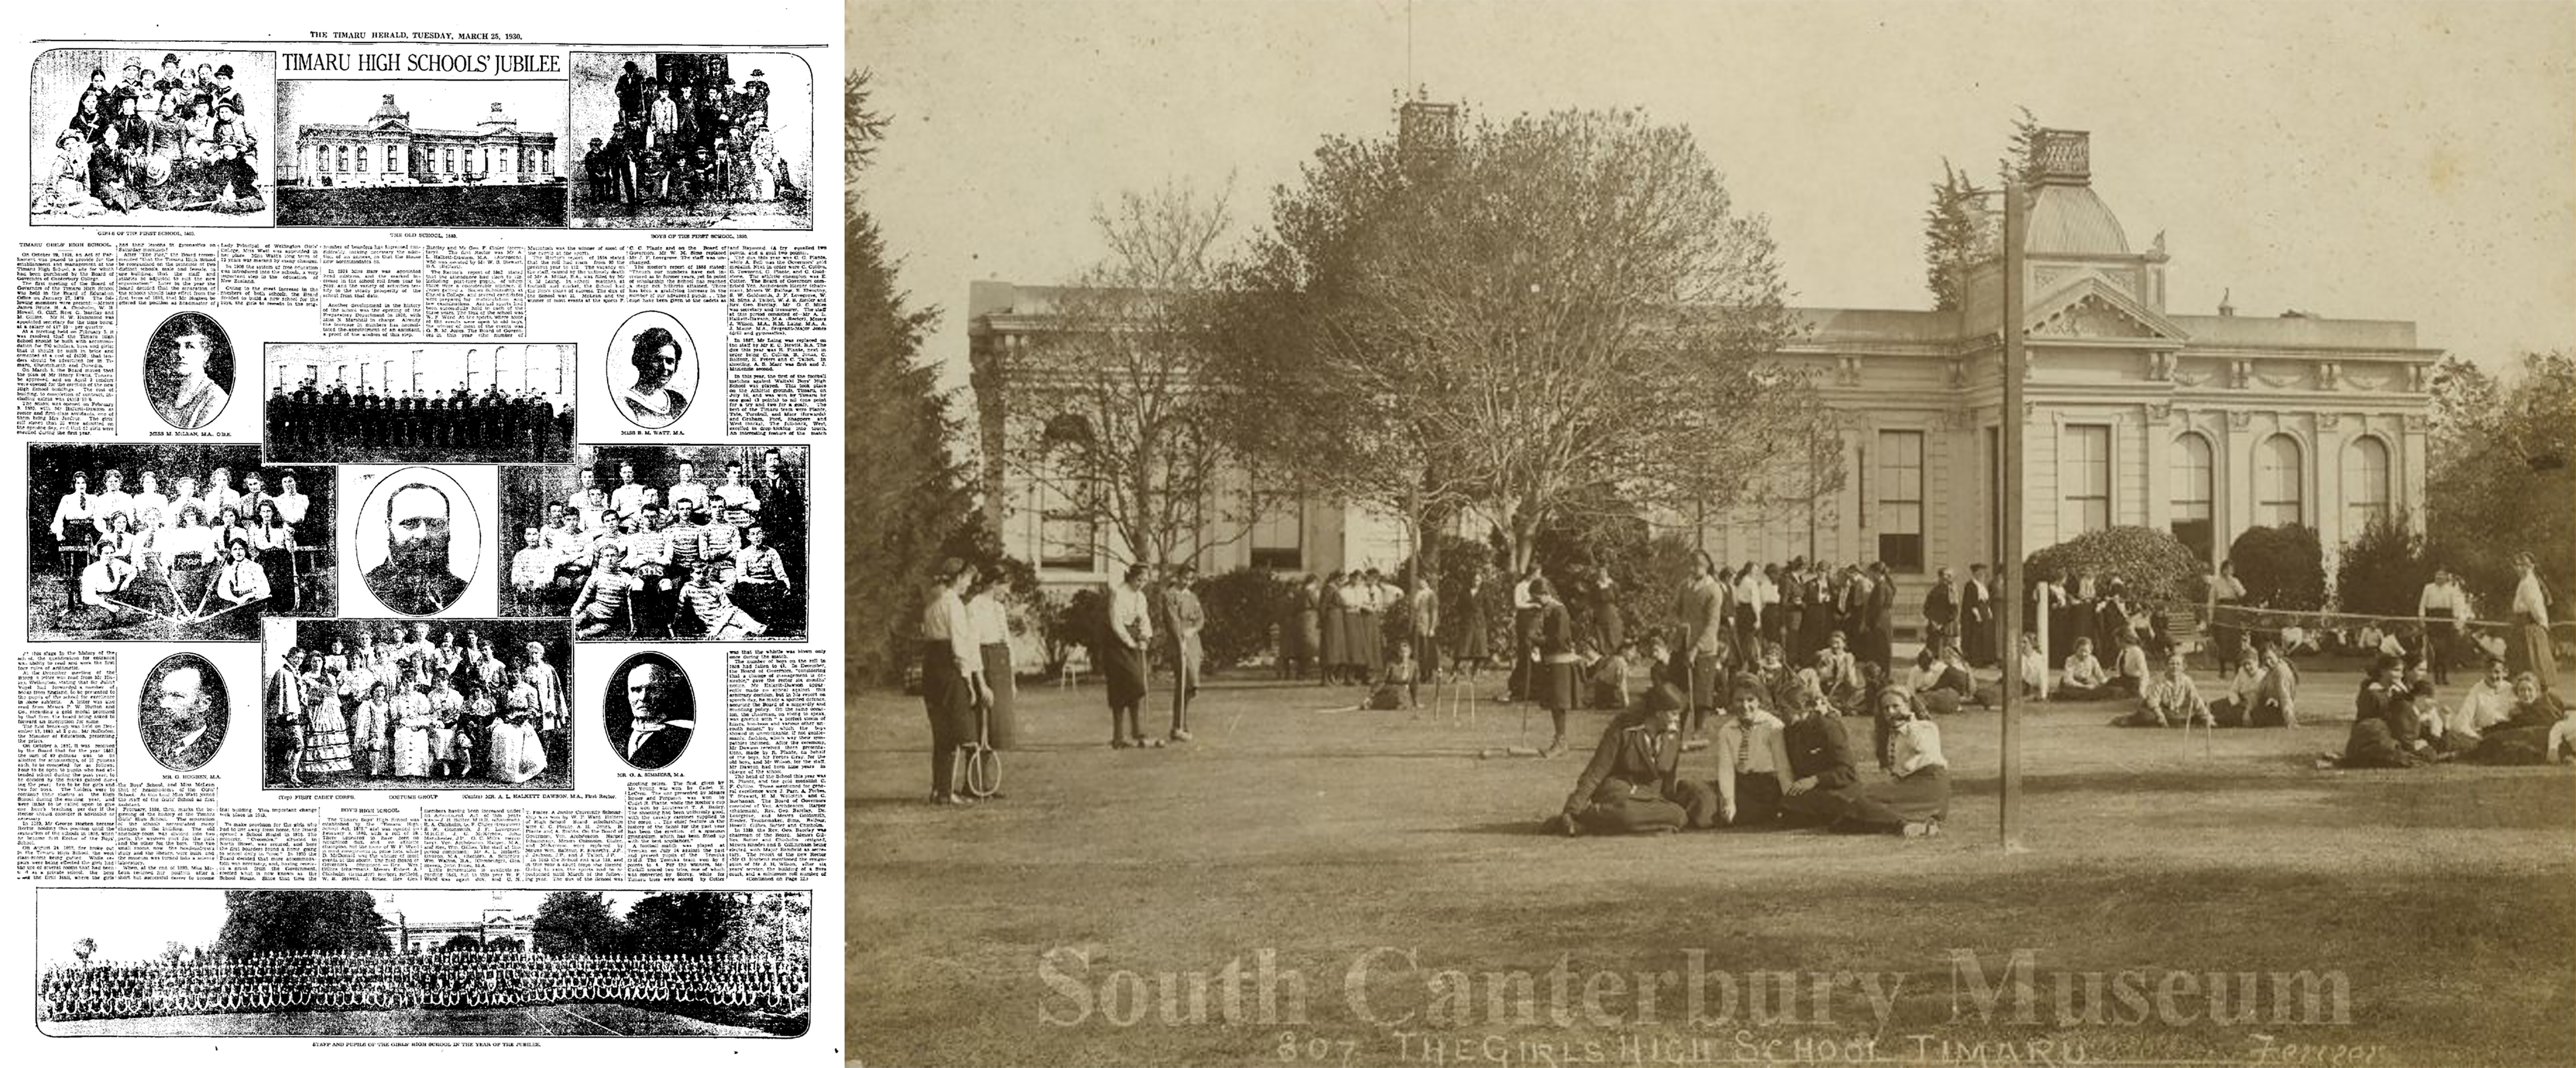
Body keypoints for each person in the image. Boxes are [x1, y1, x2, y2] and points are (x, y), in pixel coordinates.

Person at [1542, 684, 1714, 835]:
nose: (1677, 720)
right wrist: (1572, 809)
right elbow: (1595, 773)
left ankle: (1623, 822)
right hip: (1618, 793)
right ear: (1658, 713)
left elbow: (1668, 778)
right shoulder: (1623, 730)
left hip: (1650, 797)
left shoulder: (1673, 735)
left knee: (1679, 816)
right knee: (1628, 815)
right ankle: (1586, 817)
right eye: (1673, 714)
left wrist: (1668, 802)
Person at [1836, 688, 1950, 836]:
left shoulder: (1926, 727)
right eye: (1886, 708)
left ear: (1908, 706)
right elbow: (1894, 770)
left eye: (1896, 706)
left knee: (1862, 801)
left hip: (1930, 784)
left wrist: (1911, 721)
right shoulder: (1891, 735)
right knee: (1848, 813)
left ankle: (1903, 825)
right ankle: (1916, 824)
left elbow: (1924, 749)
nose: (1891, 712)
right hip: (1906, 785)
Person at [918, 559, 984, 800]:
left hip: (931, 668)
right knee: (955, 731)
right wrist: (968, 683)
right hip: (948, 668)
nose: (969, 584)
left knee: (941, 730)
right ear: (958, 578)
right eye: (968, 579)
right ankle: (945, 792)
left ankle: (940, 789)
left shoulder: (933, 601)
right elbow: (959, 647)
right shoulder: (953, 604)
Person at [363, 483, 469, 615]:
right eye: (409, 523)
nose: (423, 534)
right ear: (388, 528)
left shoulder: (465, 592)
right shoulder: (366, 590)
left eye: (435, 524)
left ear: (448, 529)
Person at [2335, 654, 2438, 769]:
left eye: (2402, 671)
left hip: (2391, 736)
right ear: (2383, 671)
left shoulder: (2396, 691)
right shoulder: (2372, 692)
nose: (2400, 675)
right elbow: (2371, 720)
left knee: (2425, 753)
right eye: (2396, 670)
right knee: (2416, 757)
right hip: (2374, 736)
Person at [1675, 551, 1731, 735]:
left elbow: (1712, 625)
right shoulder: (1684, 586)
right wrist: (1679, 624)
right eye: (1692, 564)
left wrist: (1696, 649)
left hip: (1704, 650)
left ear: (1707, 566)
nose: (1694, 568)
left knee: (1701, 693)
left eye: (1699, 564)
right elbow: (1674, 610)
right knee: (1679, 692)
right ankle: (1677, 730)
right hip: (1682, 644)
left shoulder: (1714, 590)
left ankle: (1698, 731)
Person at [1104, 563, 1155, 749]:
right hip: (1116, 645)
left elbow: (1144, 618)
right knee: (1128, 686)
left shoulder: (1141, 597)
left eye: (1145, 580)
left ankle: (1136, 731)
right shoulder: (1118, 593)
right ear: (1131, 577)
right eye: (1139, 579)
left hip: (1134, 643)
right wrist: (1130, 641)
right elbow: (1116, 623)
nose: (1141, 584)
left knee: (1135, 687)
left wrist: (1146, 637)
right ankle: (1118, 737)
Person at [146, 313, 228, 429]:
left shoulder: (216, 399)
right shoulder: (166, 398)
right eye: (176, 346)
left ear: (206, 354)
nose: (180, 354)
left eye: (190, 346)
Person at [143, 661, 225, 772]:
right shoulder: (152, 741)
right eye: (163, 696)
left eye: (177, 696)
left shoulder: (214, 750)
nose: (163, 705)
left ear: (204, 704)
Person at [965, 566, 1015, 750]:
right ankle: (976, 769)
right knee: (983, 727)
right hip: (986, 666)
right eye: (1005, 586)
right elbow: (973, 647)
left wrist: (1012, 680)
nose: (1007, 592)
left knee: (999, 731)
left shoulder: (999, 608)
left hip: (1002, 667)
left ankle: (988, 769)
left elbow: (1007, 643)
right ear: (994, 584)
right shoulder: (974, 607)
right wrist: (982, 684)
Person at [1531, 577, 1579, 757]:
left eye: (1537, 597)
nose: (1536, 602)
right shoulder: (1547, 610)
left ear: (1545, 594)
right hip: (1551, 661)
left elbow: (1560, 640)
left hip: (1561, 662)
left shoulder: (1560, 611)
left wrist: (1537, 640)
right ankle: (1560, 739)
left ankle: (1561, 742)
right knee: (1554, 704)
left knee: (1559, 704)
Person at [616, 660, 695, 770]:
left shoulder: (685, 736)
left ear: (666, 693)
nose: (643, 697)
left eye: (652, 690)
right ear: (629, 695)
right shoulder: (617, 736)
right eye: (636, 690)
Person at [2119, 649, 2214, 728]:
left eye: (2178, 664)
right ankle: (2125, 720)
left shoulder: (2187, 680)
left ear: (2183, 667)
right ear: (2166, 666)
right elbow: (2153, 701)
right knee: (2147, 717)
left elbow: (2196, 699)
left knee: (2195, 713)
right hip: (2157, 709)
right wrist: (2160, 716)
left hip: (2175, 710)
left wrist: (2207, 717)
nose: (2175, 667)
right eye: (2172, 664)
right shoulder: (2160, 680)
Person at [1164, 564, 1203, 743]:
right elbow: (1172, 620)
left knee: (1191, 685)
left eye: (1191, 579)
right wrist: (1180, 638)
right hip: (1178, 643)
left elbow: (1201, 618)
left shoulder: (1193, 596)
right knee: (1186, 681)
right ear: (1178, 577)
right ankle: (1178, 725)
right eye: (1185, 578)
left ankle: (1181, 723)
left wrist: (1192, 630)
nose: (1187, 582)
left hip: (1193, 642)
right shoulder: (1170, 595)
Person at [622, 326, 690, 427]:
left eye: (670, 361)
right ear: (642, 361)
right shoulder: (626, 404)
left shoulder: (678, 400)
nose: (665, 367)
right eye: (657, 360)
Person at [2508, 554, 2557, 691]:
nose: (2520, 568)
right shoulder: (2524, 582)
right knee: (2522, 662)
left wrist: (2542, 625)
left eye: (2524, 565)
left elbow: (2536, 607)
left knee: (2533, 662)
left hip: (2530, 626)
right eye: (2518, 565)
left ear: (2532, 567)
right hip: (2523, 624)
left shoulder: (2529, 583)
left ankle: (2538, 692)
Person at [2056, 637, 2116, 701]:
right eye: (2081, 651)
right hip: (2071, 685)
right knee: (2080, 693)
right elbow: (2068, 680)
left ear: (2091, 651)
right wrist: (2085, 687)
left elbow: (2101, 678)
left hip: (2085, 683)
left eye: (2086, 651)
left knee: (2103, 691)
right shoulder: (2071, 660)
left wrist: (2109, 683)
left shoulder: (2093, 660)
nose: (2084, 654)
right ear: (2076, 650)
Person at [1922, 567, 1960, 658]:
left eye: (1948, 576)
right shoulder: (1934, 591)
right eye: (1944, 576)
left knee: (1946, 652)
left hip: (1946, 626)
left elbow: (1954, 611)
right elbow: (1926, 609)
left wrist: (1941, 623)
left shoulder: (1951, 591)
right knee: (1933, 651)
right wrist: (1933, 622)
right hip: (1936, 627)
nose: (1946, 579)